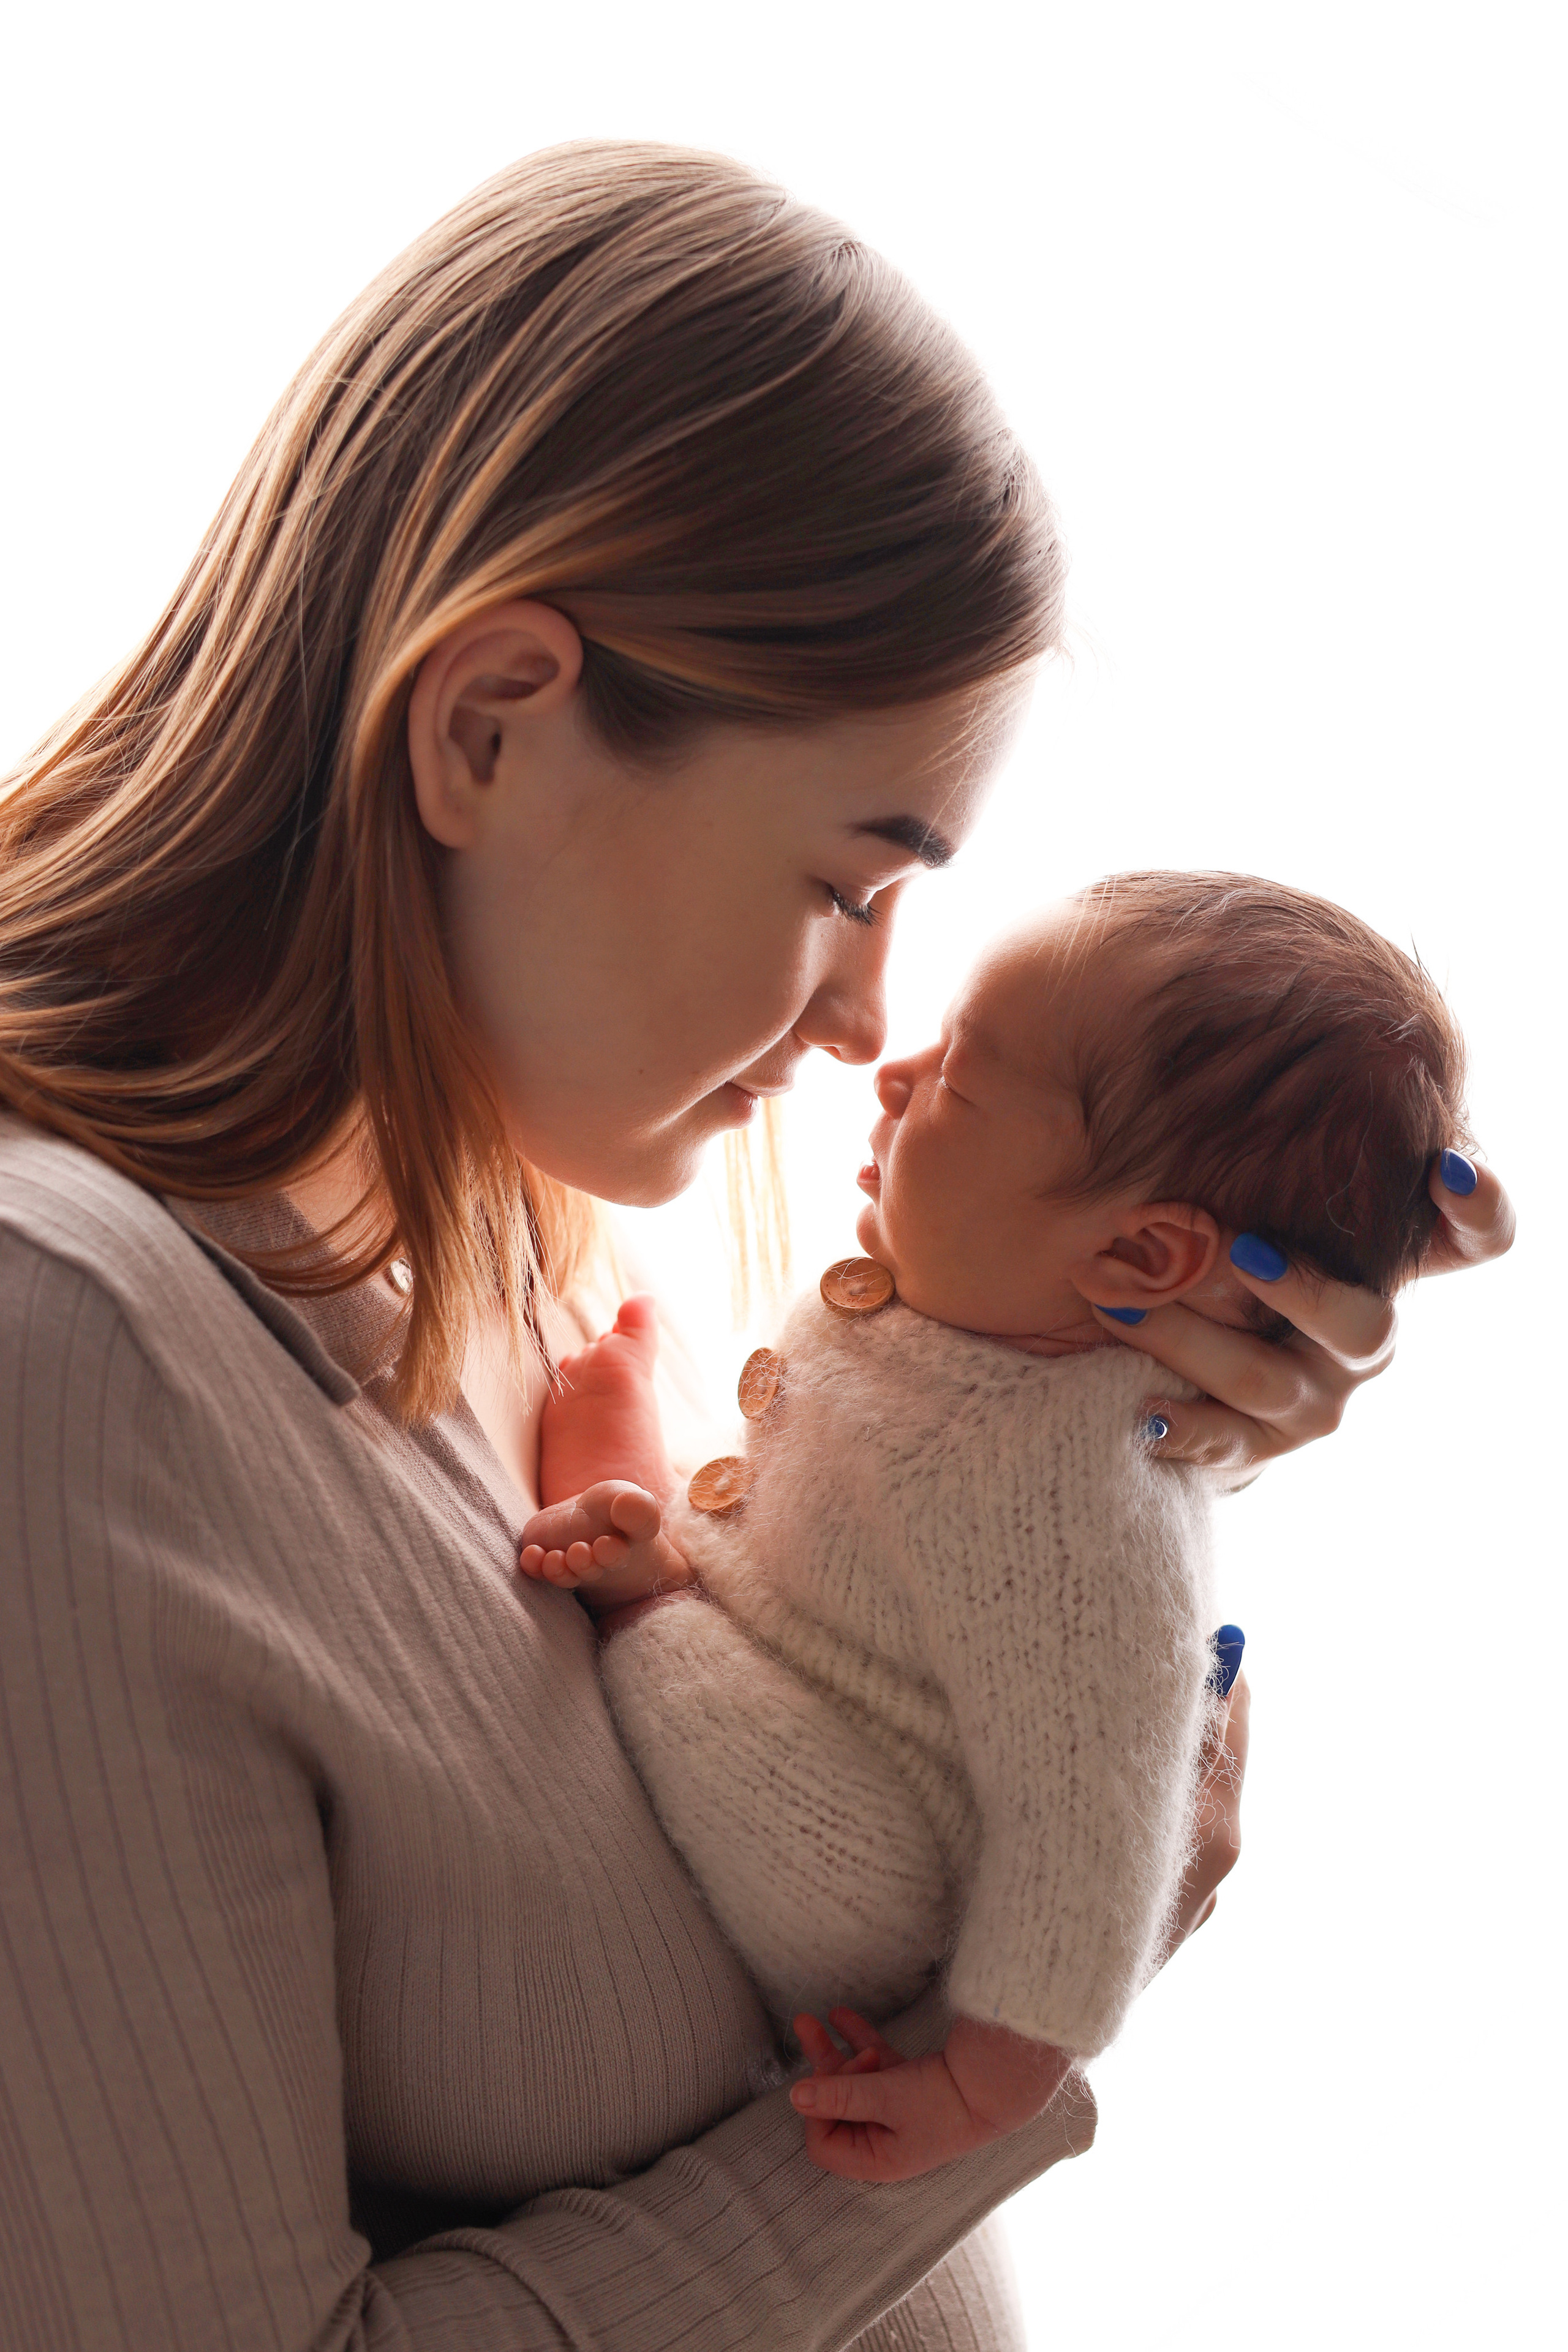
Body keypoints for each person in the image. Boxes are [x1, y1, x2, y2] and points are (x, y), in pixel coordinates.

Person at [0, 145, 1512, 2352]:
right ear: (490, 723)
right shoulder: (68, 1368)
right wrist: (1016, 2077)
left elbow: (854, 1693)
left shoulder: (525, 1185)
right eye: (846, 882)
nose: (867, 1027)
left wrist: (1133, 1419)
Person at [516, 869, 1479, 2184]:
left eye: (957, 1084)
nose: (890, 1071)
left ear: (1140, 1261)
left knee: (713, 1693)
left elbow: (1099, 1839)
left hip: (858, 1862)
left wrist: (986, 2087)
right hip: (825, 1689)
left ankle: (643, 1600)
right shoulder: (973, 1315)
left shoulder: (1085, 1507)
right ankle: (665, 1568)